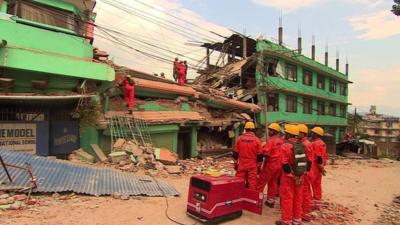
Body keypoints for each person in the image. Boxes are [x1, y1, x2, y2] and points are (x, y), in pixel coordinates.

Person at [276, 124, 307, 225]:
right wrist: (298, 175)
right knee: (298, 197)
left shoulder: (285, 146)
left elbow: (284, 163)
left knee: (287, 198)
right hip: (300, 175)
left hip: (288, 177)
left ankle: (286, 220)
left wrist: (290, 174)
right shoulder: (302, 145)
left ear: (288, 134)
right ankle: (297, 220)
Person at [257, 123, 283, 208]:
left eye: (270, 130)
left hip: (270, 164)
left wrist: (262, 150)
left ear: (274, 131)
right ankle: (270, 201)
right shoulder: (280, 141)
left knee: (261, 182)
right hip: (279, 165)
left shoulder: (271, 141)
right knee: (273, 183)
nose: (269, 131)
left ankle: (257, 200)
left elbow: (266, 153)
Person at [233, 121, 263, 190]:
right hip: (252, 164)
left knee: (239, 180)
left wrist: (235, 163)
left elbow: (235, 153)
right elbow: (260, 156)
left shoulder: (239, 139)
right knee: (252, 182)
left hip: (242, 163)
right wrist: (259, 166)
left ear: (245, 129)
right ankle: (251, 197)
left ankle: (238, 195)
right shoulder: (257, 140)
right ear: (253, 130)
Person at [298, 124, 315, 222]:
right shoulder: (304, 143)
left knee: (305, 193)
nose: (296, 134)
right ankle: (305, 213)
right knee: (305, 192)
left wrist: (305, 172)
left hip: (305, 172)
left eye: (298, 132)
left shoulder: (305, 144)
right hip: (306, 171)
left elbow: (308, 160)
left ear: (303, 133)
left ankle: (305, 213)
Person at [310, 127, 327, 210]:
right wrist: (322, 168)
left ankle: (310, 204)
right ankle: (317, 203)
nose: (311, 134)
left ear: (316, 134)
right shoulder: (322, 143)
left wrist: (321, 168)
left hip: (315, 167)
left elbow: (319, 156)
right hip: (319, 167)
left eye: (313, 133)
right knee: (317, 185)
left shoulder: (315, 144)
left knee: (309, 185)